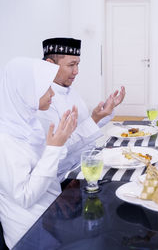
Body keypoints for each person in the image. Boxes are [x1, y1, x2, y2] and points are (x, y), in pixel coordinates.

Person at [0, 57, 77, 248]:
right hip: (30, 233)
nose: (52, 93)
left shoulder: (28, 122)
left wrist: (62, 138)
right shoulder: (5, 138)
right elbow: (25, 196)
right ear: (25, 92)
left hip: (51, 216)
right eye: (45, 88)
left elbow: (45, 169)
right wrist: (54, 148)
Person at [36, 38, 125, 181]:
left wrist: (103, 113)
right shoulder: (43, 101)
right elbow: (58, 150)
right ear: (50, 65)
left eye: (77, 64)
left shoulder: (67, 90)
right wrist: (95, 119)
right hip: (66, 177)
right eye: (71, 65)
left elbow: (84, 129)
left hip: (87, 162)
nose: (76, 71)